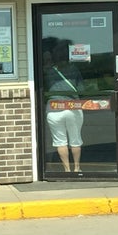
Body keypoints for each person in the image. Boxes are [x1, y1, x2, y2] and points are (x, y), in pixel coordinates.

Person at [43, 41, 85, 175]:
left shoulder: (47, 71)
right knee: (75, 140)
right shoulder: (74, 69)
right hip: (72, 107)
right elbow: (81, 89)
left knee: (60, 142)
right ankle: (77, 168)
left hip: (53, 109)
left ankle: (67, 170)